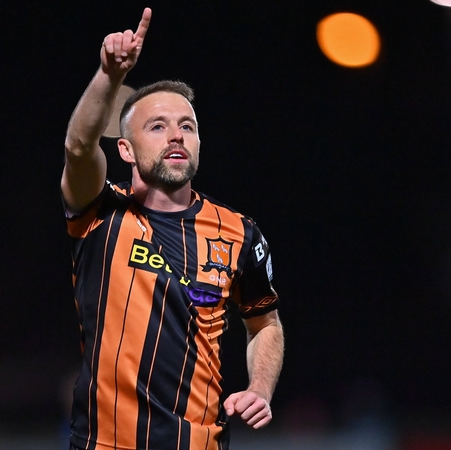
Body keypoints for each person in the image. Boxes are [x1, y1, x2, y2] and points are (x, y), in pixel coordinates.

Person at [61, 7, 284, 450]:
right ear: (125, 149)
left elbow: (266, 323)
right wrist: (109, 75)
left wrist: (260, 388)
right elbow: (79, 144)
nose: (176, 136)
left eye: (187, 127)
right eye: (158, 127)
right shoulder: (100, 211)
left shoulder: (239, 233)